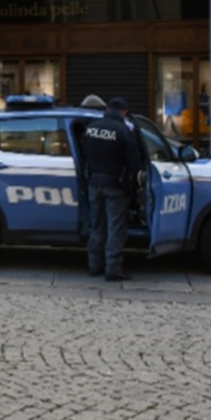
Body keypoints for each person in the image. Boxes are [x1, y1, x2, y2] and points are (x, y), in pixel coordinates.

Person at [81, 96, 144, 282]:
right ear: (123, 112)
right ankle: (113, 269)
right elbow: (134, 162)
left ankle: (94, 265)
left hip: (94, 183)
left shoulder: (91, 127)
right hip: (115, 186)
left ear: (108, 109)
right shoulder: (123, 130)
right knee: (115, 228)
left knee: (97, 226)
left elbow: (83, 153)